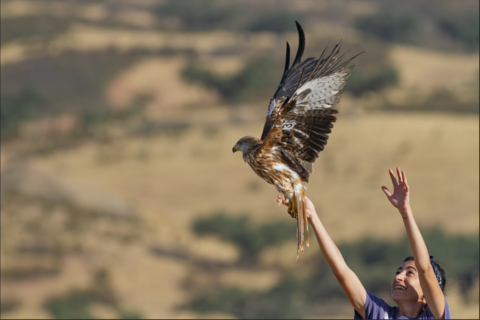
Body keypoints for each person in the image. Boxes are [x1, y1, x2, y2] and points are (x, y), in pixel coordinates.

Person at [277, 167, 451, 319]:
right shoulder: (377, 313)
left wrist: (405, 211)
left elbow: (425, 268)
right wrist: (313, 218)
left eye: (410, 273)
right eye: (399, 271)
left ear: (427, 295)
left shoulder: (435, 316)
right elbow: (341, 271)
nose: (398, 277)